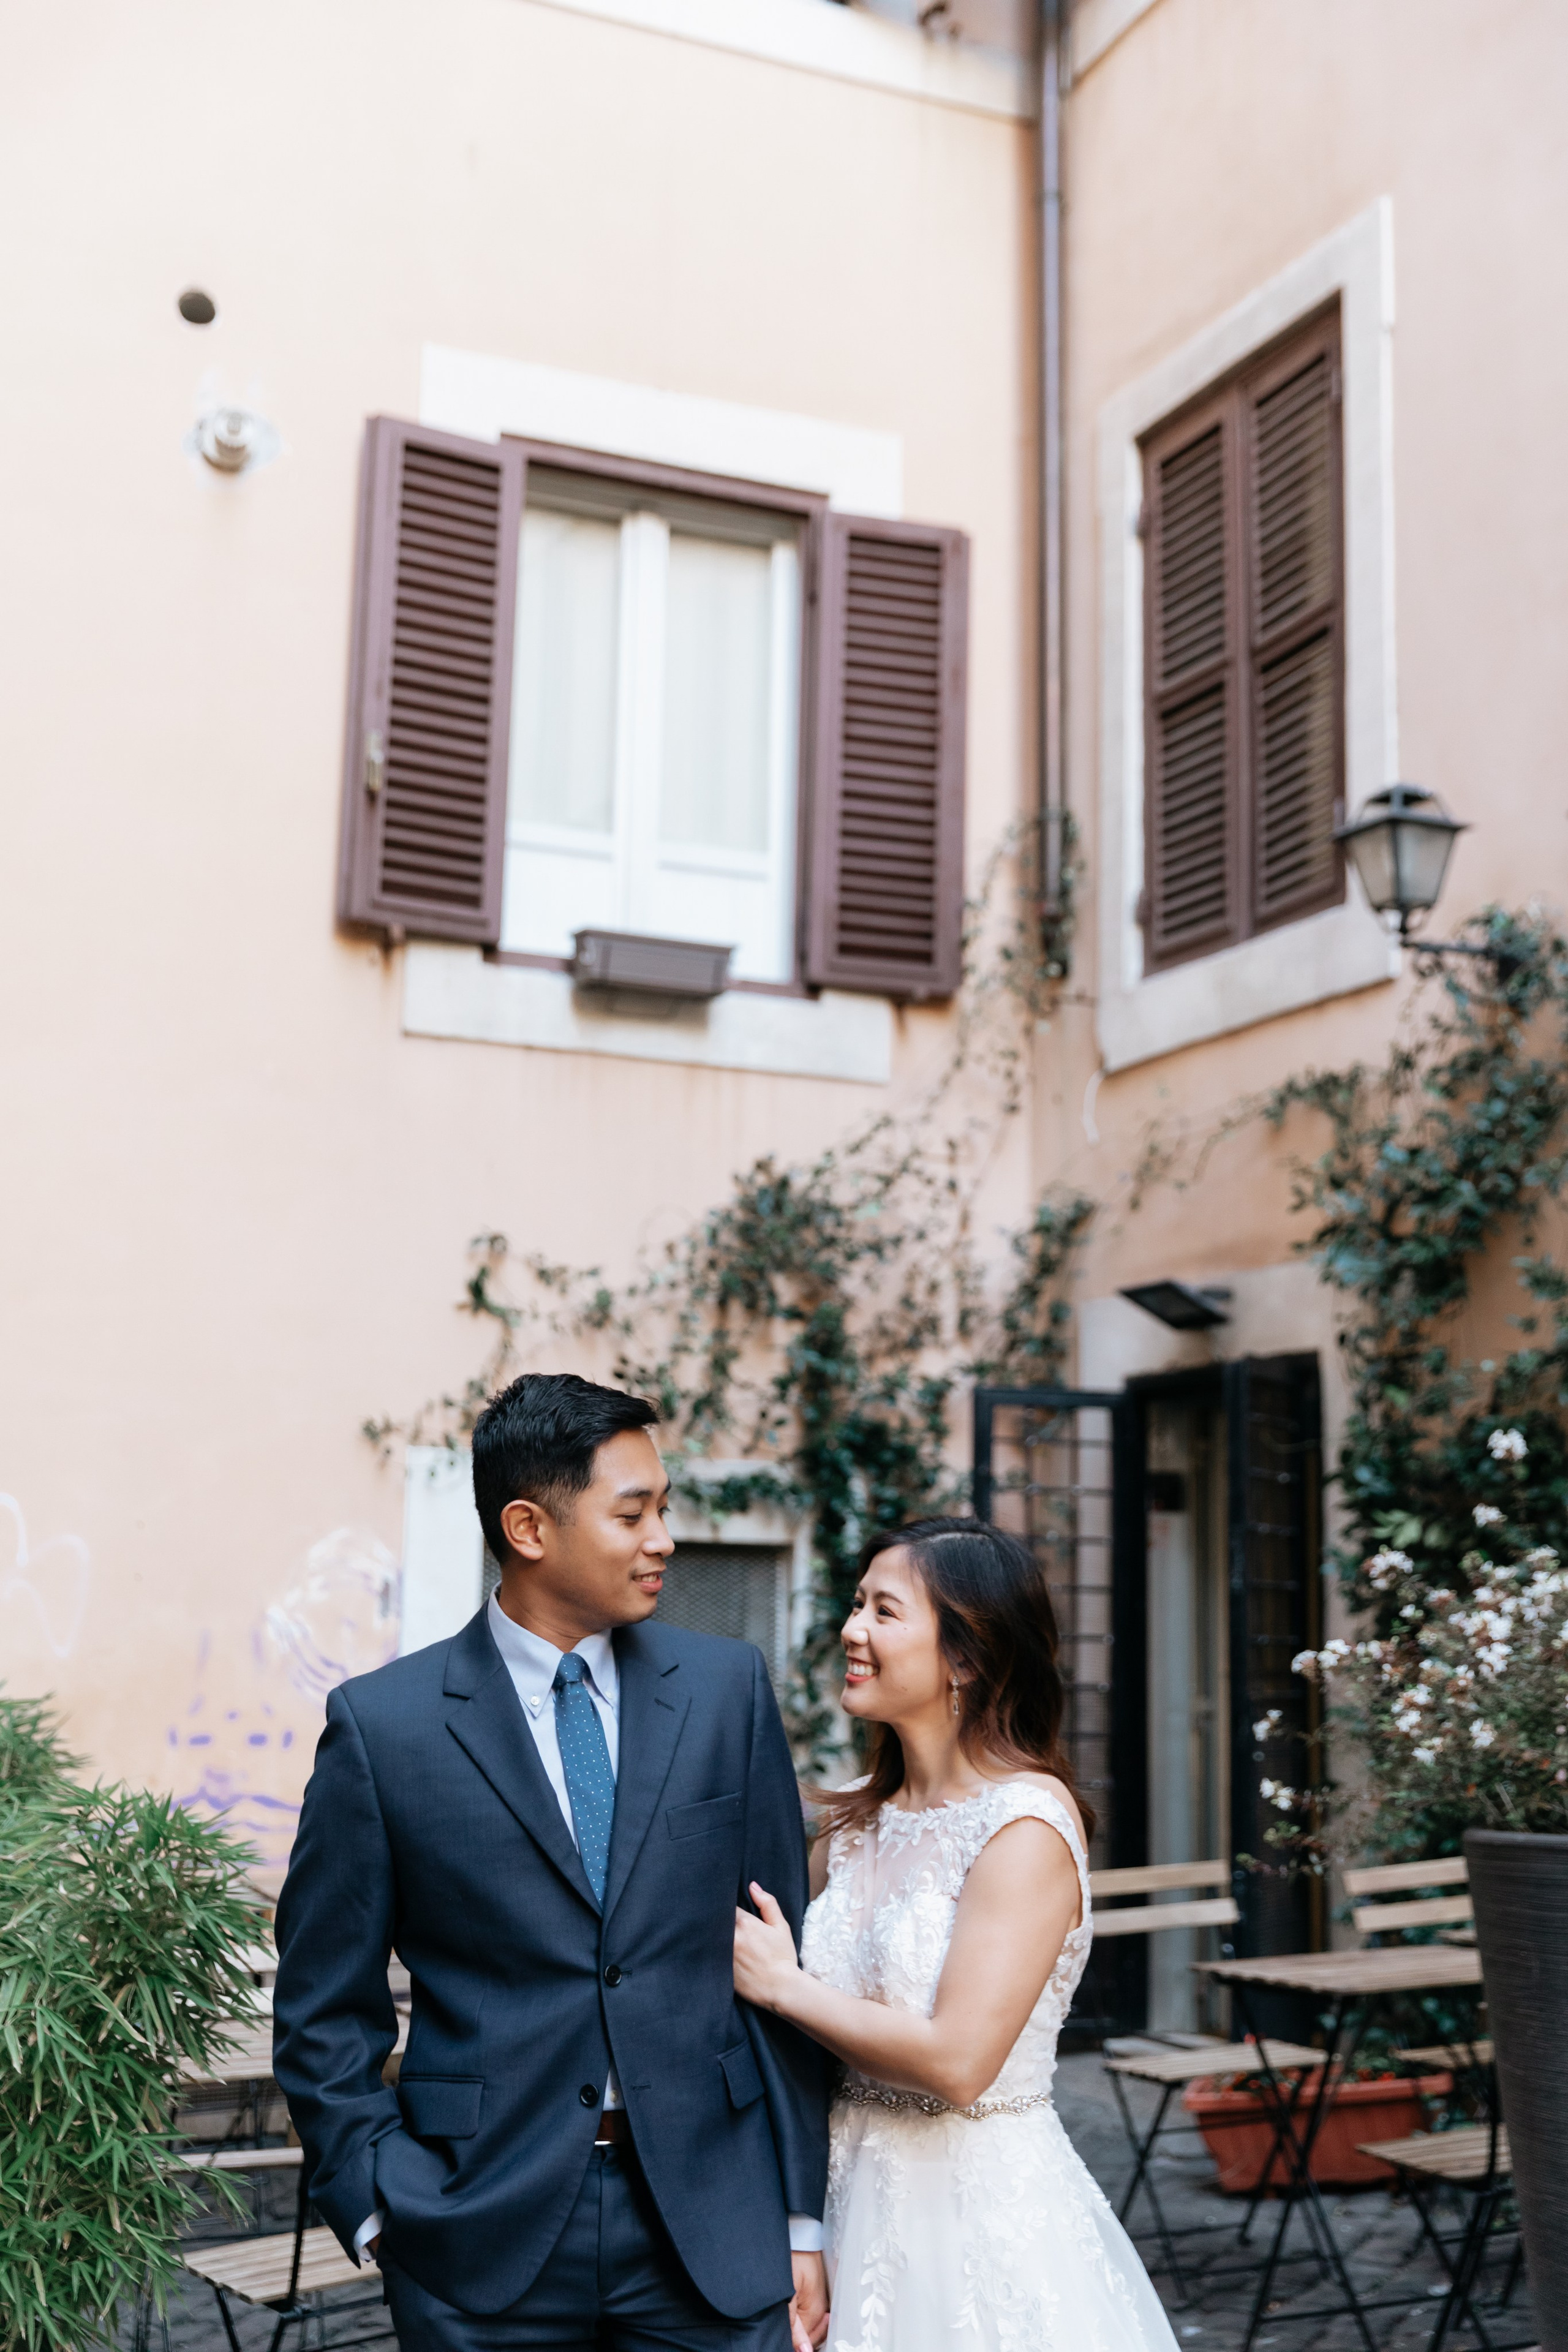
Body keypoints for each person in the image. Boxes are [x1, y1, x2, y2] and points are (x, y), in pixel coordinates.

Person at [273, 1372, 831, 2352]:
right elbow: (325, 2001)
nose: (664, 1537)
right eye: (635, 1514)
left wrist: (797, 2215)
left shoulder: (725, 1689)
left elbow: (780, 1970)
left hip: (710, 2223)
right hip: (477, 2234)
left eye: (664, 1508)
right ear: (529, 1529)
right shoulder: (384, 1727)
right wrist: (374, 2197)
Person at [733, 1517, 1180, 2352]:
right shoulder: (856, 1819)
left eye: (884, 1611)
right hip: (840, 2193)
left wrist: (783, 1984)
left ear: (967, 1657)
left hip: (974, 2216)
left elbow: (959, 2062)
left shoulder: (1025, 1828)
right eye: (856, 1604)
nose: (852, 1631)